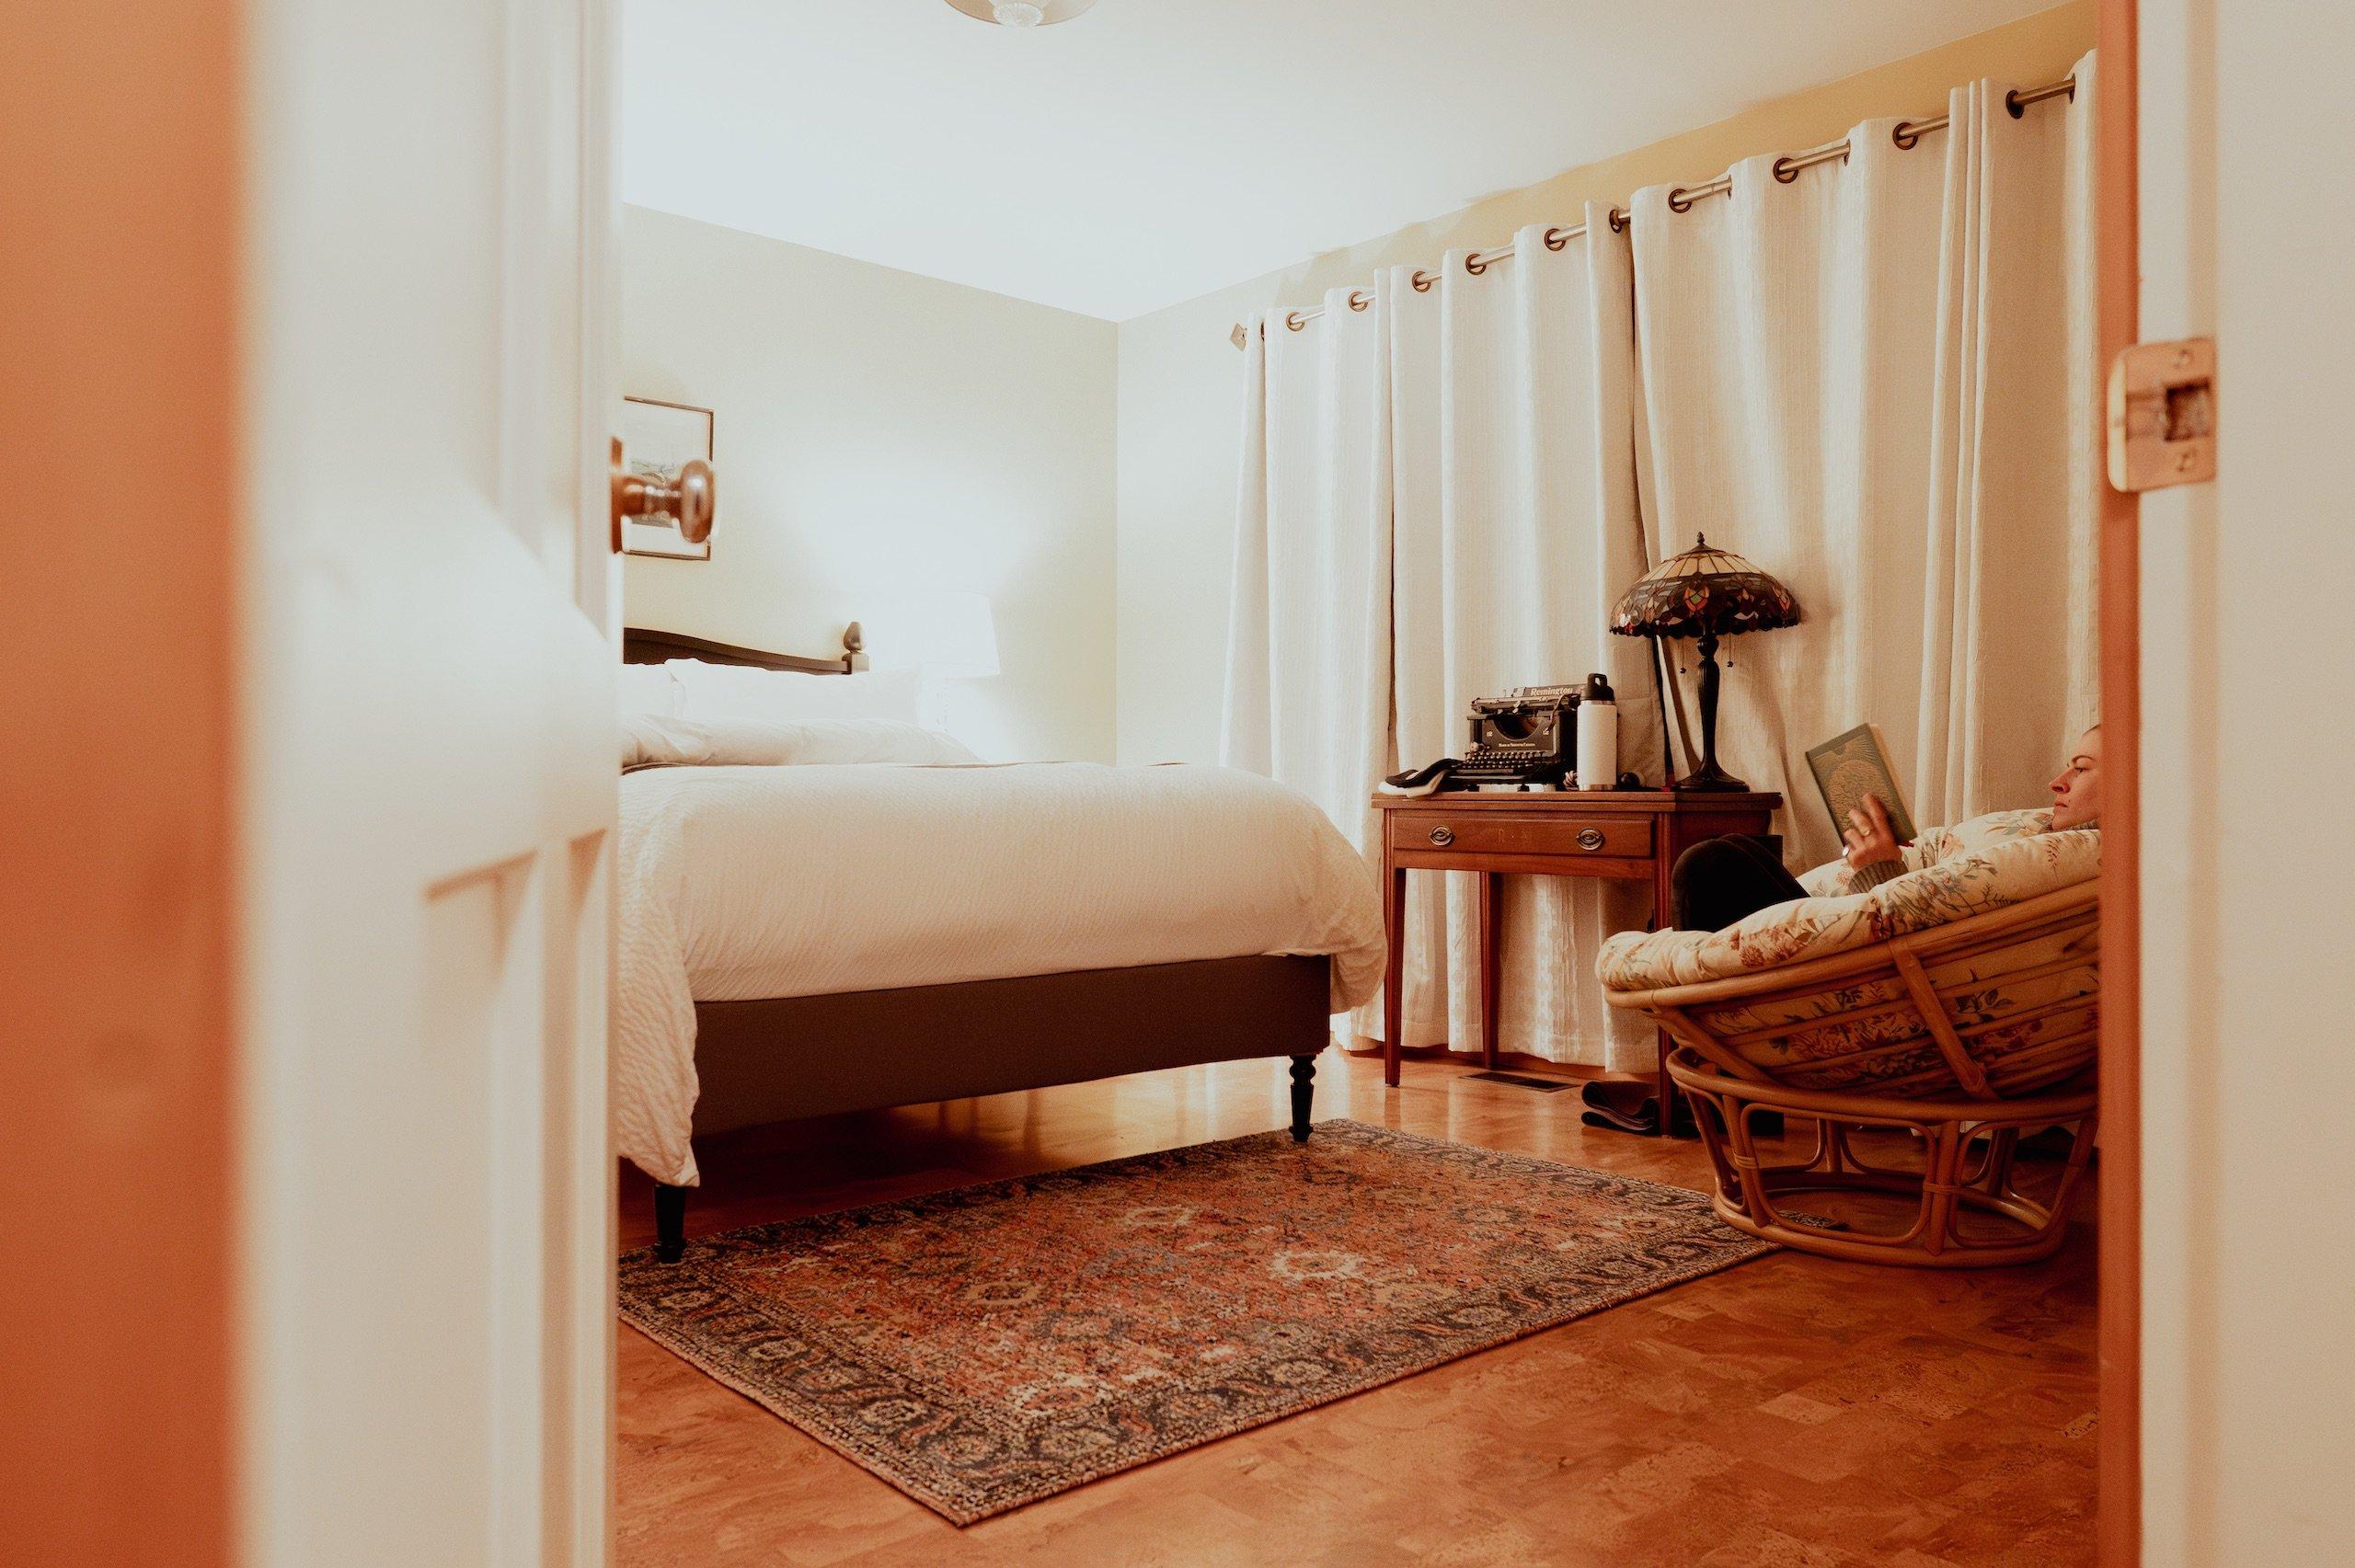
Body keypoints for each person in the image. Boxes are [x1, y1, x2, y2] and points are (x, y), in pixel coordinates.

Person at [1670, 724, 2102, 933]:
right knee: (1737, 850)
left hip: (1882, 981)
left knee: (1709, 864)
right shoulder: (2047, 838)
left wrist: (1881, 871)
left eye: (2080, 768)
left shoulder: (2073, 858)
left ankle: (1716, 1088)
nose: (2057, 781)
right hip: (1860, 948)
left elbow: (1932, 947)